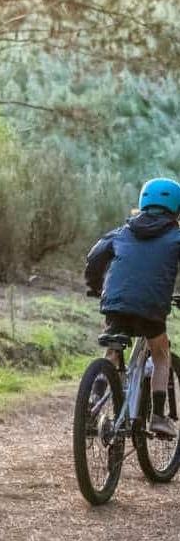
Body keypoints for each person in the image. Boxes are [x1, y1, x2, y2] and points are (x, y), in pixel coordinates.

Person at [85, 177, 180, 438]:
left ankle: (91, 405)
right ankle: (159, 417)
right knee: (161, 354)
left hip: (115, 304)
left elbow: (94, 257)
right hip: (151, 309)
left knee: (112, 352)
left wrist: (94, 286)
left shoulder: (122, 231)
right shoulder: (176, 236)